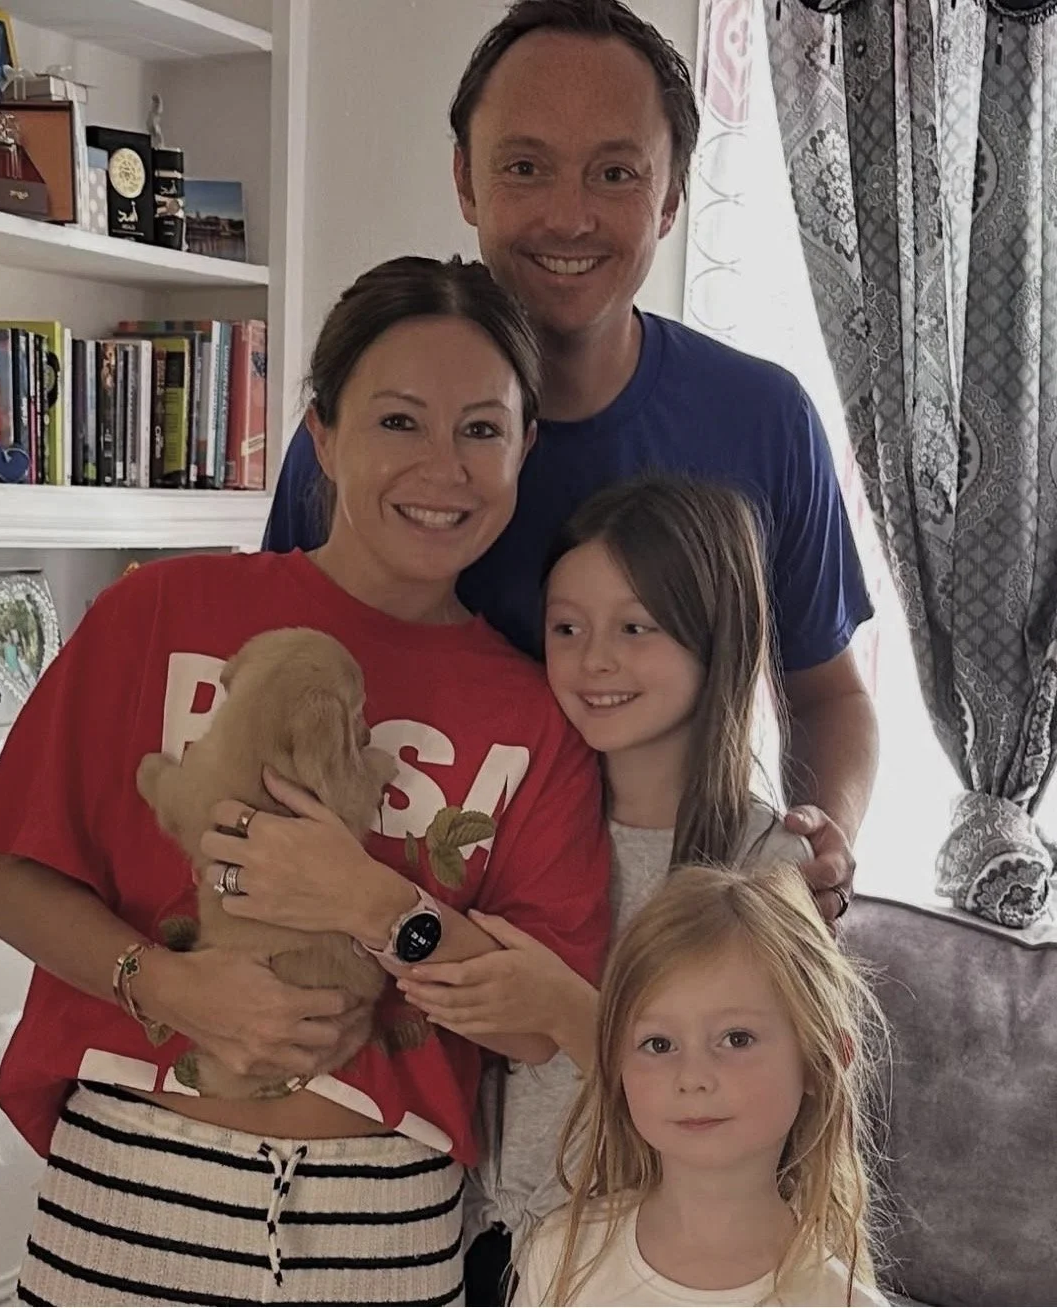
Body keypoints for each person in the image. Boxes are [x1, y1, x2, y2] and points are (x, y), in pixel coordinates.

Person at [0, 255, 612, 1306]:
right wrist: (166, 985)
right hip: (129, 1196)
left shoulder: (538, 717)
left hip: (384, 1226)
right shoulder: (157, 613)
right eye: (398, 421)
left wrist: (378, 907)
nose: (442, 467)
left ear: (524, 449)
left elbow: (537, 1024)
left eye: (481, 430)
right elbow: (13, 884)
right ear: (324, 434)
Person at [262, 0, 877, 929]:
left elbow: (828, 695)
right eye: (525, 167)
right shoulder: (369, 440)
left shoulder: (763, 419)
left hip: (666, 948)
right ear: (466, 180)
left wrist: (821, 839)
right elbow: (272, 673)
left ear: (672, 197)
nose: (568, 216)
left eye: (615, 173)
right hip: (392, 936)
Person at [401, 476, 812, 1260]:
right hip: (478, 1234)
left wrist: (567, 1012)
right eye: (567, 628)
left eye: (635, 627)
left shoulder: (765, 863)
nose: (595, 660)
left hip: (648, 1256)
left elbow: (761, 1102)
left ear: (713, 633)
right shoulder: (509, 815)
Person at [512, 861, 887, 1306]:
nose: (692, 1078)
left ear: (820, 1062)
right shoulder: (561, 1255)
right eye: (659, 1044)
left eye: (737, 1039)